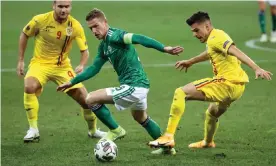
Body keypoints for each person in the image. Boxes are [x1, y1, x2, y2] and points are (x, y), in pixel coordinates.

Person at [57, 8, 183, 154]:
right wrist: (72, 81)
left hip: (135, 86)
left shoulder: (116, 35)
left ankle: (116, 130)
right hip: (138, 86)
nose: (94, 31)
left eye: (96, 26)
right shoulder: (103, 46)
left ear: (105, 22)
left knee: (91, 99)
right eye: (91, 28)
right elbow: (94, 68)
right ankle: (168, 149)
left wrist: (164, 48)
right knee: (140, 117)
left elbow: (139, 38)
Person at [149, 11, 272, 153]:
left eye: (197, 30)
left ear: (207, 26)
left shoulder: (216, 38)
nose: (195, 34)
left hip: (226, 84)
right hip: (237, 88)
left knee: (181, 92)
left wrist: (256, 68)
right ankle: (208, 142)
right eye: (193, 31)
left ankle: (168, 136)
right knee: (212, 113)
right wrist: (191, 61)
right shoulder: (215, 37)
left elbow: (235, 50)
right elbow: (210, 52)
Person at [17, 0, 106, 143]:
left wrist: (82, 65)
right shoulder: (40, 20)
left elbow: (85, 51)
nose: (63, 10)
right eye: (60, 6)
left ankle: (93, 130)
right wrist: (21, 60)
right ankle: (33, 129)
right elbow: (24, 34)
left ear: (70, 7)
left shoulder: (75, 26)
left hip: (62, 67)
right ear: (53, 6)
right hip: (40, 64)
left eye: (67, 7)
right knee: (29, 86)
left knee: (86, 100)